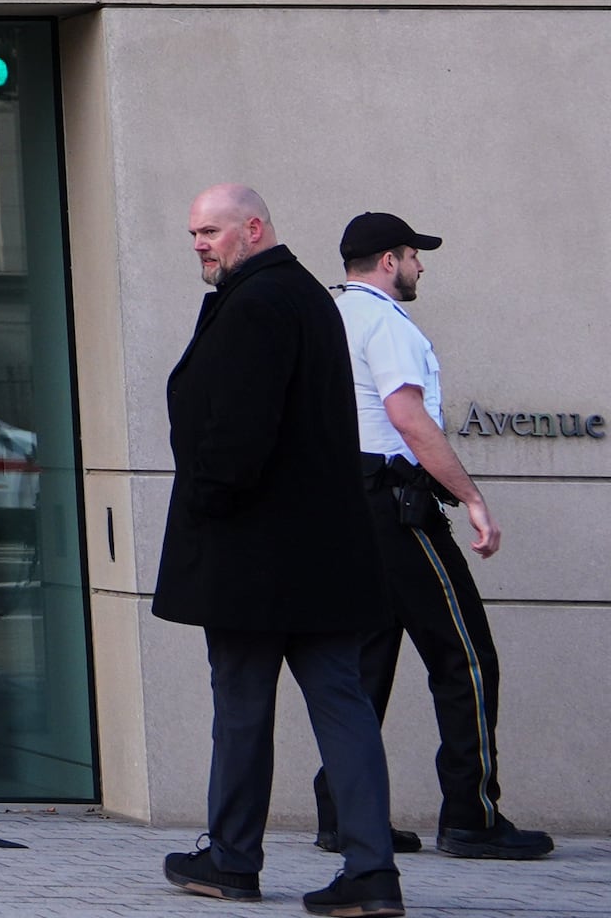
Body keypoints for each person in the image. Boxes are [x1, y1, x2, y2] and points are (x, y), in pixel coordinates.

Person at [156, 184, 401, 915]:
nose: (199, 243)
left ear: (253, 227)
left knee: (240, 705)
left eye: (210, 231)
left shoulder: (258, 305)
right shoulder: (305, 298)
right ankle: (372, 870)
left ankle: (232, 859)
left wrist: (207, 505)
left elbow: (236, 435)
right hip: (321, 553)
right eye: (193, 233)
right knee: (343, 704)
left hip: (254, 554)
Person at [305, 213, 557, 863]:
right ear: (389, 261)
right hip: (394, 509)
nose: (422, 267)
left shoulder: (327, 319)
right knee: (465, 657)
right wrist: (471, 497)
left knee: (365, 667)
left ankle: (344, 814)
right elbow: (408, 419)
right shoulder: (386, 324)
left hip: (342, 508)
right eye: (415, 256)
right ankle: (471, 816)